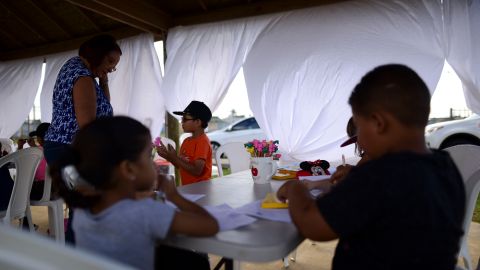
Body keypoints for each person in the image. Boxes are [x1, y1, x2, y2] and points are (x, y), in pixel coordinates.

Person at [277, 64, 465, 269]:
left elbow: (311, 224)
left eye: (359, 130)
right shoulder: (445, 167)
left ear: (378, 123)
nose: (360, 142)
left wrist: (295, 188)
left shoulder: (379, 177)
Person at [51, 116, 219, 270]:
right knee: (195, 261)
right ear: (129, 169)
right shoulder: (145, 212)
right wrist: (175, 197)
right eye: (148, 156)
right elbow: (211, 226)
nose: (153, 164)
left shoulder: (82, 209)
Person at [43, 34, 122, 244]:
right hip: (68, 149)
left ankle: (77, 256)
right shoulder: (83, 77)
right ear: (97, 55)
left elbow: (104, 106)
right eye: (110, 62)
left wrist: (103, 81)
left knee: (83, 207)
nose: (113, 68)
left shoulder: (79, 69)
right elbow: (87, 126)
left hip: (64, 148)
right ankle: (76, 257)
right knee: (86, 207)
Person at [156, 101, 213, 185]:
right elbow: (180, 166)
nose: (182, 122)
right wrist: (169, 156)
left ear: (198, 122)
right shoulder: (186, 141)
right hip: (189, 188)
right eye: (182, 119)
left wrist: (175, 158)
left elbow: (197, 171)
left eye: (185, 119)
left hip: (201, 189)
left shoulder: (202, 141)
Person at [17, 122, 50, 200]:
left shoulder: (34, 152)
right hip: (56, 190)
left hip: (40, 190)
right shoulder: (55, 149)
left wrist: (20, 146)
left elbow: (20, 163)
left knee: (17, 191)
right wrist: (34, 146)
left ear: (39, 138)